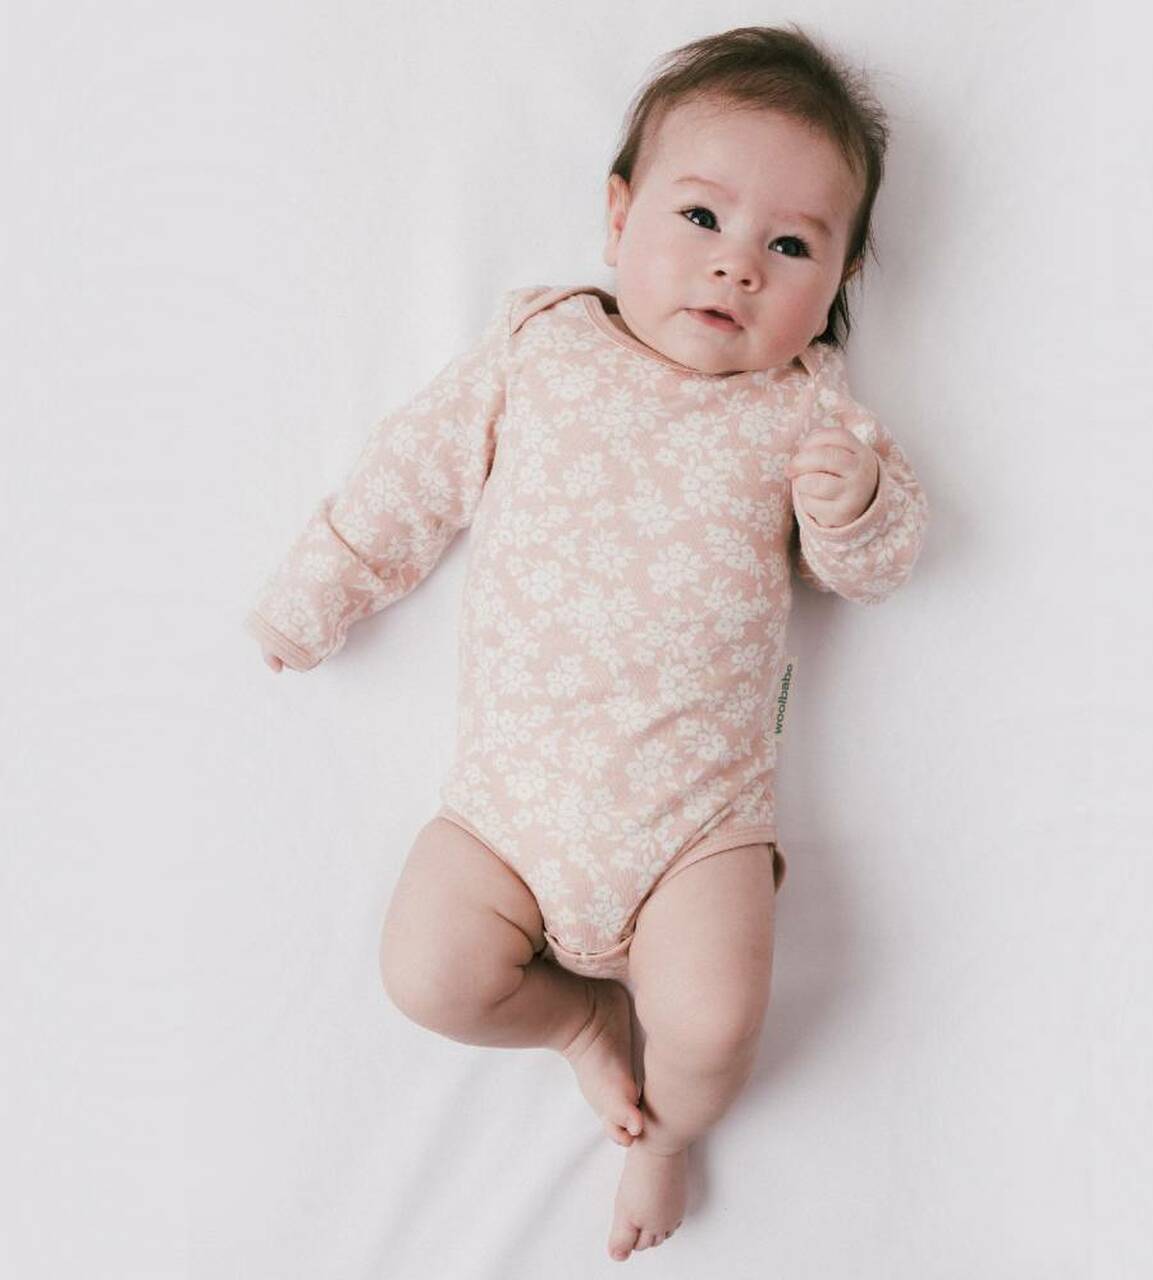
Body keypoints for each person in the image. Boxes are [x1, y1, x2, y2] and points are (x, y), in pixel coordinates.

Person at [244, 22, 929, 1262]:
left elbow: (873, 569)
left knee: (713, 1024)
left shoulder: (806, 411)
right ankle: (575, 1023)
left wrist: (855, 507)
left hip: (696, 826)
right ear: (617, 217)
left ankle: (663, 1131)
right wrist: (318, 590)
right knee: (427, 972)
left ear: (837, 280)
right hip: (505, 812)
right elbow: (411, 476)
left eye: (790, 246)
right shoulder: (540, 346)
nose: (734, 266)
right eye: (700, 217)